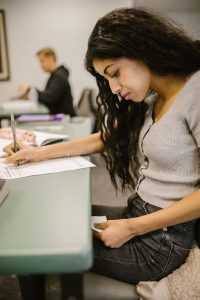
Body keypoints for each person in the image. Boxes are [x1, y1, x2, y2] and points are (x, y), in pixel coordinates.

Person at [3, 8, 200, 286]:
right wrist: (37, 153)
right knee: (48, 224)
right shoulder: (153, 98)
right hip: (140, 212)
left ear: (142, 49)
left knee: (50, 238)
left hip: (161, 244)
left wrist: (131, 228)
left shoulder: (195, 92)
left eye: (115, 73)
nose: (114, 87)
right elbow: (106, 137)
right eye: (107, 79)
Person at [18, 47, 76, 116]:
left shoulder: (59, 76)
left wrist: (29, 89)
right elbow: (47, 95)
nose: (41, 65)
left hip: (64, 120)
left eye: (42, 61)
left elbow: (50, 97)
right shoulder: (55, 75)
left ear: (51, 58)